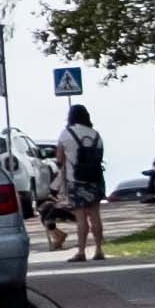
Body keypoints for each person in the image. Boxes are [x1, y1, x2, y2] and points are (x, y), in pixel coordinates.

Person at [57, 103, 110, 261]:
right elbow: (100, 157)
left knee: (81, 218)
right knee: (95, 215)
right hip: (95, 179)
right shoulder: (96, 135)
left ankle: (81, 252)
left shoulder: (66, 134)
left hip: (76, 180)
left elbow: (59, 158)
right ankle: (99, 250)